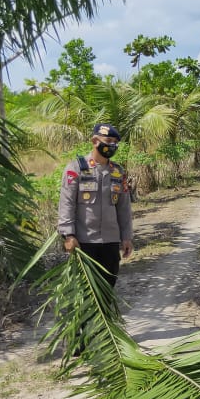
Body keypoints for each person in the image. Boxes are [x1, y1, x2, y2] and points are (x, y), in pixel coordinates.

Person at [57, 123, 134, 287]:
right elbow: (67, 203)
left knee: (107, 289)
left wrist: (126, 237)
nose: (111, 145)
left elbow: (124, 207)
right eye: (108, 140)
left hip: (110, 242)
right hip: (84, 242)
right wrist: (68, 235)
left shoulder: (118, 172)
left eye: (114, 142)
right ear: (94, 141)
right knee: (87, 292)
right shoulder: (75, 168)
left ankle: (106, 314)